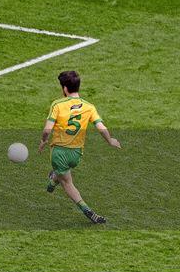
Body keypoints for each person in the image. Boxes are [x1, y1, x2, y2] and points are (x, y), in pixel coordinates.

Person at [38, 71, 121, 224]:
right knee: (63, 172)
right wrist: (110, 141)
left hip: (59, 152)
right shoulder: (89, 107)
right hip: (76, 155)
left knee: (67, 182)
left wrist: (43, 141)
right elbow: (101, 127)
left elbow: (47, 129)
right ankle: (52, 181)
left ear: (64, 89)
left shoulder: (57, 104)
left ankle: (87, 210)